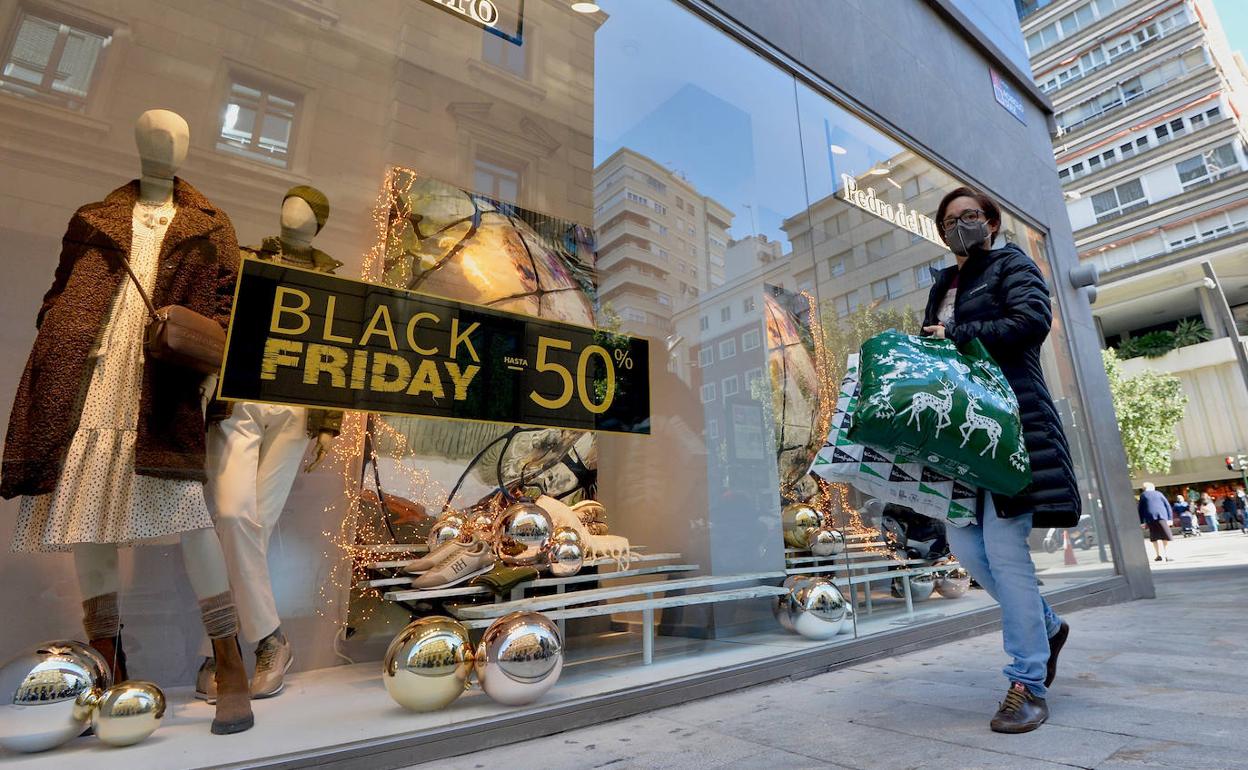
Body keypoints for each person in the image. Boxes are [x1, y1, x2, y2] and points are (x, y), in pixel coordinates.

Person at [921, 187, 1079, 734]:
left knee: (1007, 553)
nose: (959, 225)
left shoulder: (1012, 265)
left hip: (1009, 423)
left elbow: (1031, 323)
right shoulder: (943, 283)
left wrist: (957, 334)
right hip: (961, 435)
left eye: (970, 216)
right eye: (950, 220)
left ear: (990, 223)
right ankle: (1047, 625)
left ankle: (1027, 683)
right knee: (966, 547)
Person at [1137, 482, 1173, 561]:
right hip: (1162, 516)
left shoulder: (1143, 495)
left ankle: (1158, 555)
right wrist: (1170, 519)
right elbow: (1167, 506)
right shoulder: (1159, 493)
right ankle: (1167, 555)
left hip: (1150, 518)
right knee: (1165, 536)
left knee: (1154, 537)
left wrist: (1141, 521)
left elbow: (1140, 509)